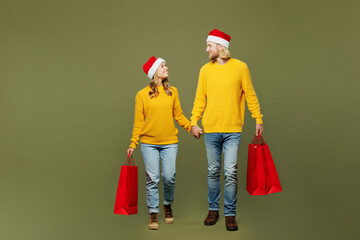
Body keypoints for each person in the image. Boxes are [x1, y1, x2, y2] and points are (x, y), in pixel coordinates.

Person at [190, 29, 264, 231]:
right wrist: (194, 121)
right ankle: (213, 210)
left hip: (233, 130)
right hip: (211, 130)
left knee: (230, 172)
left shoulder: (241, 67)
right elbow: (199, 98)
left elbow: (250, 95)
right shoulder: (205, 70)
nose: (206, 49)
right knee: (213, 171)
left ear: (220, 47)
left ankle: (230, 214)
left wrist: (258, 118)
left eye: (209, 46)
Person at [127, 56, 191, 230]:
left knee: (169, 177)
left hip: (170, 142)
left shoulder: (173, 92)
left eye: (165, 65)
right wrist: (133, 143)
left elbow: (178, 115)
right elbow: (138, 122)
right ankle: (153, 212)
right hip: (149, 144)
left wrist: (191, 127)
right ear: (154, 72)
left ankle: (167, 205)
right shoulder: (141, 95)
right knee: (152, 179)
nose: (166, 67)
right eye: (163, 66)